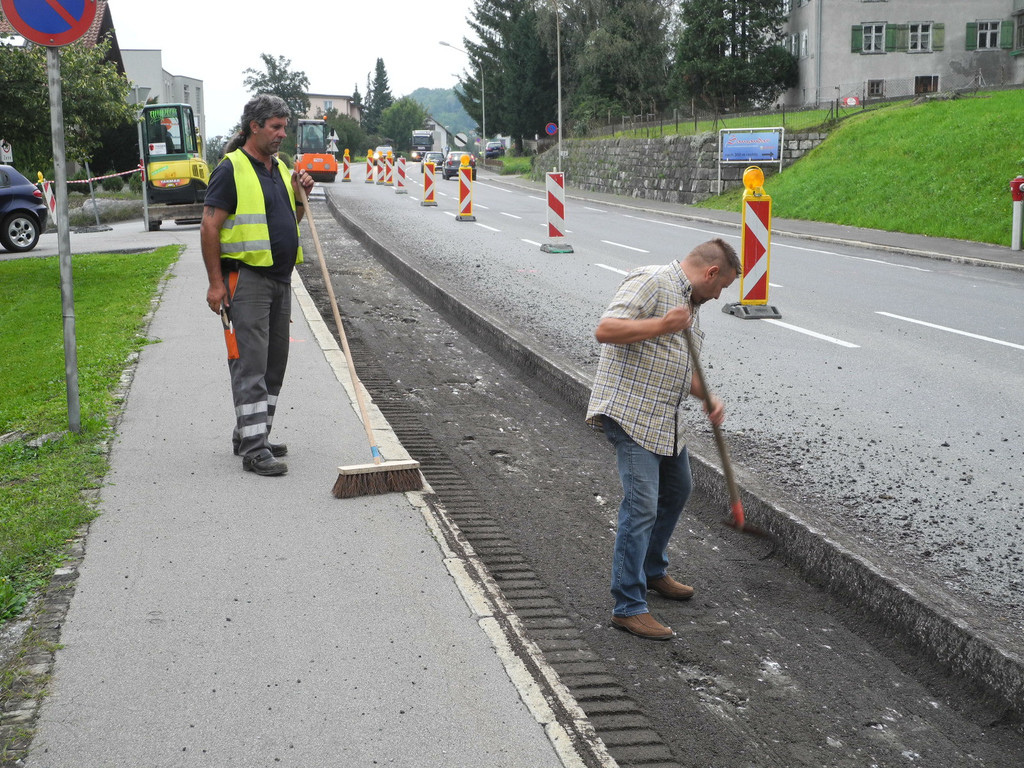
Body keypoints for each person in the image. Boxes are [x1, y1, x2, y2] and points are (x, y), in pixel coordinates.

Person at [586, 238, 740, 640]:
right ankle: (628, 606)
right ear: (711, 272)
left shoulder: (690, 302)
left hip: (663, 420)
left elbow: (675, 363)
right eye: (721, 286)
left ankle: (652, 570)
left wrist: (708, 396)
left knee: (677, 489)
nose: (719, 295)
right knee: (640, 507)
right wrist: (663, 325)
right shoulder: (652, 281)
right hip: (631, 412)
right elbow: (606, 329)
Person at [200, 94, 315, 477]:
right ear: (254, 126)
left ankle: (254, 433)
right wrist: (216, 284)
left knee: (273, 365)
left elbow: (289, 221)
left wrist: (302, 198)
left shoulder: (280, 169)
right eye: (276, 127)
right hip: (247, 280)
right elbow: (209, 227)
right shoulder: (230, 169)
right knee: (250, 364)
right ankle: (254, 450)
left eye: (285, 127)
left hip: (280, 279)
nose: (282, 134)